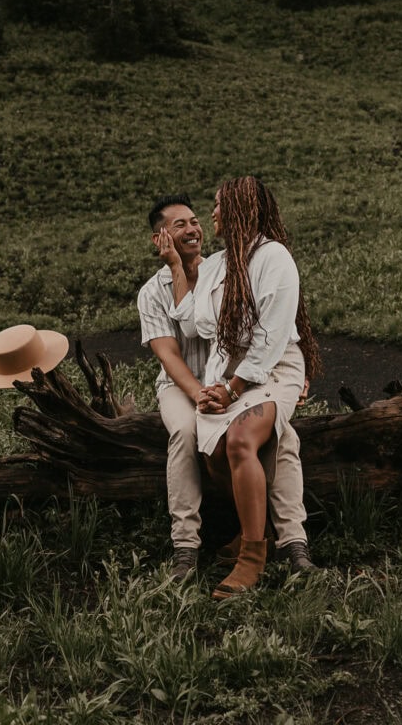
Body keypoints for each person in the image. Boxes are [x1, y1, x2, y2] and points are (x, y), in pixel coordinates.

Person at [138, 192, 317, 584]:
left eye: (196, 220)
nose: (193, 228)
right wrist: (200, 394)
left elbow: (274, 318)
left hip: (235, 381)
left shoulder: (226, 268)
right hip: (183, 385)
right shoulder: (152, 293)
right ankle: (185, 546)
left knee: (280, 435)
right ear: (160, 238)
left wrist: (292, 370)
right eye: (179, 224)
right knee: (186, 432)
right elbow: (170, 357)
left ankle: (291, 543)